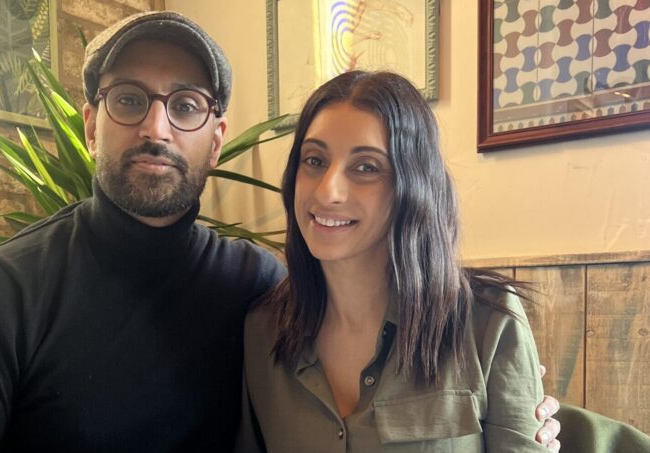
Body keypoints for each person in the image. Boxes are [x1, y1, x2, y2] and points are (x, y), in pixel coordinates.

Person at [0, 11, 560, 453]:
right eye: (129, 99)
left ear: (215, 139)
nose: (155, 127)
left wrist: (535, 423)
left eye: (184, 105)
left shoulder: (260, 294)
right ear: (91, 123)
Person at [236, 70, 560, 452]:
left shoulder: (487, 320)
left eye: (366, 167)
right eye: (314, 160)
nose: (328, 191)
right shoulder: (263, 331)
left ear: (412, 185)